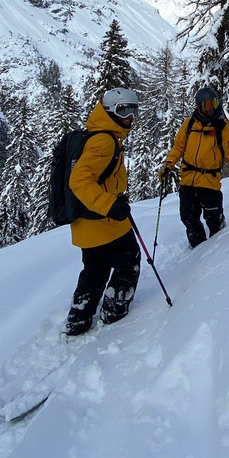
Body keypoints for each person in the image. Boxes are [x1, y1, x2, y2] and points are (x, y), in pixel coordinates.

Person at [64, 88, 141, 337]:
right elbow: (79, 180)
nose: (129, 117)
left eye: (133, 110)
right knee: (129, 260)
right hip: (105, 222)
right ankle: (114, 313)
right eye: (123, 110)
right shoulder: (104, 141)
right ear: (109, 112)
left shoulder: (97, 135)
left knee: (94, 270)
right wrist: (109, 204)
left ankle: (79, 319)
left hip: (86, 225)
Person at [159, 87, 229, 248]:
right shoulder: (190, 123)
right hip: (188, 180)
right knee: (188, 218)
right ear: (198, 106)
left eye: (213, 104)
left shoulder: (222, 127)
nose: (210, 109)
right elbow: (178, 147)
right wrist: (168, 165)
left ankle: (218, 248)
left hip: (210, 182)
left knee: (213, 219)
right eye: (206, 105)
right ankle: (197, 250)